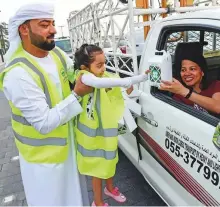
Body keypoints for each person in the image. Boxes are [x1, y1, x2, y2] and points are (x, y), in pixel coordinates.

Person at [0, 2, 93, 206]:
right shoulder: (18, 74)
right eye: (44, 24)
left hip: (70, 151)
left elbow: (73, 75)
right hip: (44, 166)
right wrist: (77, 94)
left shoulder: (57, 54)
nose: (52, 30)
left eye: (52, 23)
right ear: (24, 29)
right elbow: (43, 123)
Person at [73, 44, 148, 207]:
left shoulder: (102, 75)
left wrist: (134, 82)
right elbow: (104, 83)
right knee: (97, 170)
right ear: (85, 67)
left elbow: (117, 88)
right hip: (92, 137)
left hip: (106, 133)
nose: (103, 68)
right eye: (99, 65)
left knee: (110, 161)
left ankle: (110, 188)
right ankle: (98, 202)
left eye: (104, 63)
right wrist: (131, 80)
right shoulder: (84, 77)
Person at [160, 46, 220, 115]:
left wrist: (185, 92)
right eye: (183, 70)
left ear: (202, 72)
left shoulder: (215, 85)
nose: (187, 73)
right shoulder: (178, 94)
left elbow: (218, 107)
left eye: (192, 69)